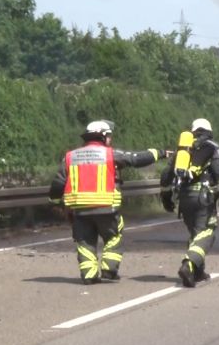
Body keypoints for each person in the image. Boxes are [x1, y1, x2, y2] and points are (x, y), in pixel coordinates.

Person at [49, 121, 169, 284]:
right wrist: (160, 153)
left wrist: (55, 202)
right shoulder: (111, 154)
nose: (111, 139)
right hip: (106, 208)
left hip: (80, 210)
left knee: (84, 242)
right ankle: (109, 269)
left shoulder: (70, 157)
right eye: (109, 136)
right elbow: (136, 159)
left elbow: (58, 183)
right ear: (103, 136)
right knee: (113, 236)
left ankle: (89, 275)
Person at [159, 118, 219, 288]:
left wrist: (166, 196)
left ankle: (197, 271)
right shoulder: (212, 146)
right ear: (209, 131)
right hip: (203, 198)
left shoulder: (183, 149)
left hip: (184, 197)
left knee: (195, 234)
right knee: (207, 233)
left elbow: (167, 174)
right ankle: (189, 263)